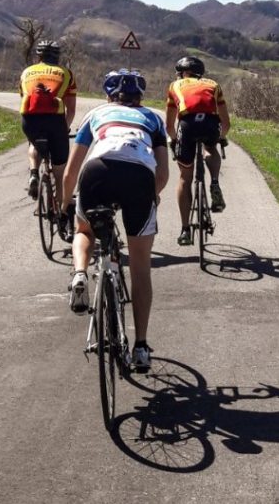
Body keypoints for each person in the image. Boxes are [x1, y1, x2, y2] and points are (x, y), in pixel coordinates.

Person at [61, 68, 169, 372]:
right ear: (140, 96)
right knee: (140, 267)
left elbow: (71, 170)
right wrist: (153, 194)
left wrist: (63, 205)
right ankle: (141, 347)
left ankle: (80, 273)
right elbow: (163, 174)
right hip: (139, 176)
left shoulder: (97, 113)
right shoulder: (153, 119)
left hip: (98, 171)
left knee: (84, 230)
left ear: (110, 95)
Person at [166, 55, 230, 247]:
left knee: (185, 177)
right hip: (210, 124)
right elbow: (226, 123)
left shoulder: (174, 86)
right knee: (210, 148)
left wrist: (174, 141)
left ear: (183, 73)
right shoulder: (213, 84)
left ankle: (185, 230)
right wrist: (220, 137)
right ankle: (215, 183)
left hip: (187, 125)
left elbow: (169, 125)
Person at [19, 40, 76, 229]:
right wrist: (64, 130)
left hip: (29, 119)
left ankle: (34, 172)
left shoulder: (26, 72)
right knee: (59, 174)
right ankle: (61, 212)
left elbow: (24, 99)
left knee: (34, 144)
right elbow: (72, 110)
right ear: (57, 57)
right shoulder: (66, 74)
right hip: (55, 120)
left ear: (39, 56)